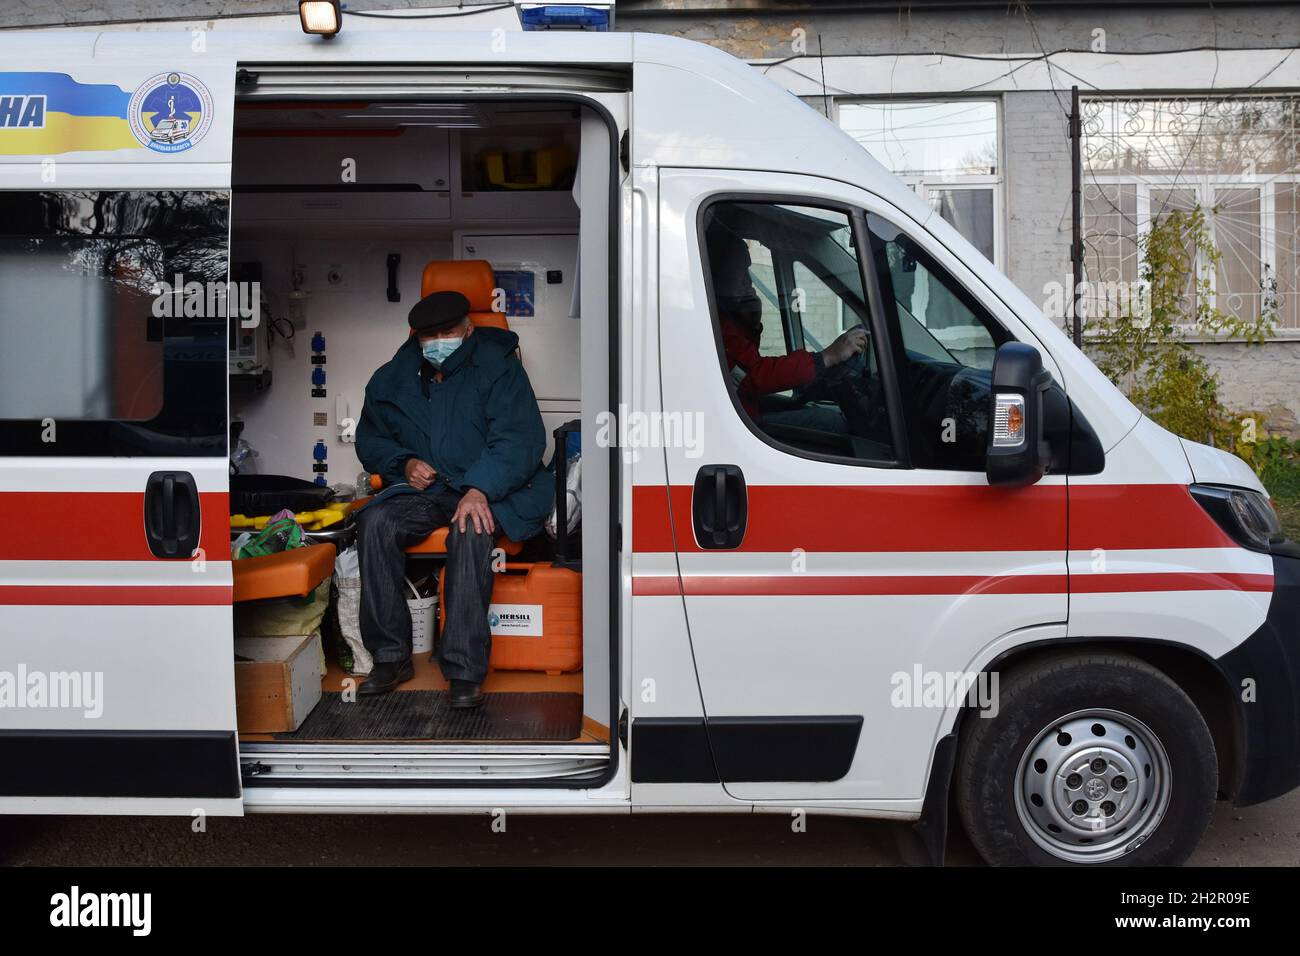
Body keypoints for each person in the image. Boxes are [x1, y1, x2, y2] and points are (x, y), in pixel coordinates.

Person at [354, 290, 553, 708]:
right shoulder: (391, 378)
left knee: (470, 528)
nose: (439, 340)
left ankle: (463, 670)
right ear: (416, 335)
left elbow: (520, 441)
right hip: (430, 489)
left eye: (448, 331)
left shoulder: (499, 369)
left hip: (492, 487)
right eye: (430, 334)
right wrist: (403, 462)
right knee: (375, 523)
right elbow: (371, 439)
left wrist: (480, 488)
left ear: (469, 329)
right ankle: (390, 658)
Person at [708, 231, 867, 430]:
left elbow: (744, 379)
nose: (746, 280)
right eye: (739, 271)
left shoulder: (724, 318)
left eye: (746, 270)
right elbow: (754, 375)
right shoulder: (713, 324)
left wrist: (748, 315)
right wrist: (828, 356)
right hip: (738, 426)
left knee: (814, 411)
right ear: (715, 274)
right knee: (832, 422)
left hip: (744, 413)